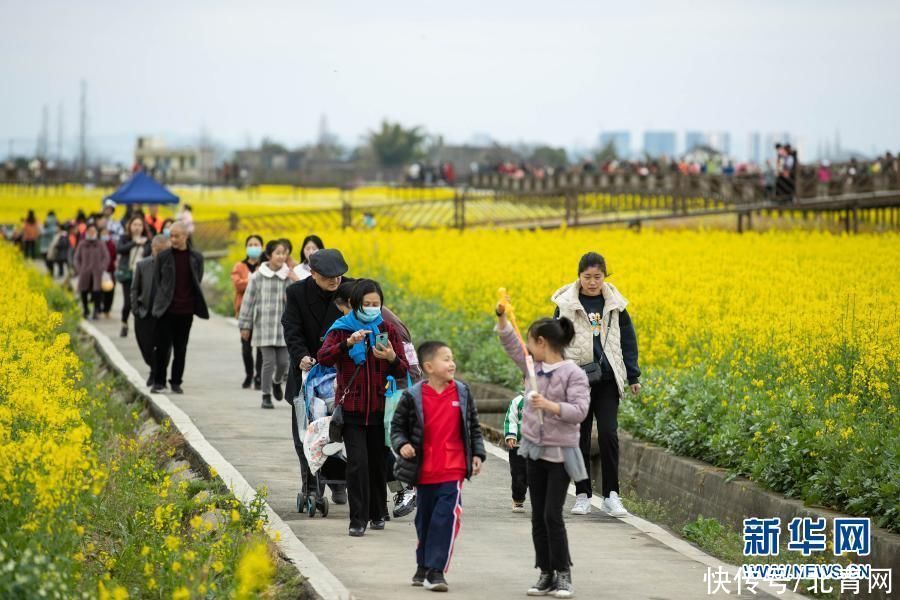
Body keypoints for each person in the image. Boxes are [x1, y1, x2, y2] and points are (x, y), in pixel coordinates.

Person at [496, 312, 590, 599]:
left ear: (542, 342)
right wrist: (502, 320)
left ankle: (563, 574)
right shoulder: (531, 367)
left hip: (561, 455)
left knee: (552, 516)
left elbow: (580, 411)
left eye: (530, 342)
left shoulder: (573, 373)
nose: (526, 348)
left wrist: (550, 406)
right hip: (533, 451)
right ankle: (545, 573)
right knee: (538, 516)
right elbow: (512, 345)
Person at [390, 341, 486, 592]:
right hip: (423, 471)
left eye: (452, 358)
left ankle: (436, 571)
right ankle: (423, 564)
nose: (452, 363)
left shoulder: (462, 393)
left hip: (452, 470)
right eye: (446, 359)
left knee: (445, 519)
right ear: (429, 367)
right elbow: (397, 428)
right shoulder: (413, 396)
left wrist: (477, 454)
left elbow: (473, 428)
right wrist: (402, 446)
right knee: (425, 520)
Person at [317, 279, 409, 537]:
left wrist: (391, 357)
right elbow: (323, 357)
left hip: (381, 409)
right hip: (353, 409)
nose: (371, 308)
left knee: (377, 463)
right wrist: (347, 344)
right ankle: (358, 520)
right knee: (357, 465)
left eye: (376, 304)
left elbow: (403, 369)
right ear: (355, 305)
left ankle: (378, 512)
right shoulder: (341, 330)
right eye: (366, 304)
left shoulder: (388, 330)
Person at [551, 252, 640, 518]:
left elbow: (628, 341)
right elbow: (556, 343)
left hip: (608, 379)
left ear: (604, 276)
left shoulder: (616, 304)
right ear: (579, 276)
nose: (592, 282)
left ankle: (613, 495)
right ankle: (582, 494)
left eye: (597, 277)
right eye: (587, 277)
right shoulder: (565, 304)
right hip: (578, 380)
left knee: (609, 434)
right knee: (580, 436)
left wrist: (633, 376)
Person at [333, 281, 420, 519]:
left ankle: (404, 488)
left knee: (382, 450)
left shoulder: (386, 325)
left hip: (395, 390)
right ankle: (381, 505)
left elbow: (406, 366)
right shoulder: (351, 325)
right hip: (379, 394)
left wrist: (391, 359)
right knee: (373, 452)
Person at [282, 249, 353, 505]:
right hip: (307, 373)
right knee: (306, 433)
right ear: (313, 274)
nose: (335, 280)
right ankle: (311, 487)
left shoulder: (351, 291)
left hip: (342, 374)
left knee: (341, 431)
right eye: (328, 276)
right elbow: (292, 329)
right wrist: (300, 355)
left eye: (338, 275)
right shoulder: (297, 293)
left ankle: (339, 484)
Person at [238, 239, 299, 409]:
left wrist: (295, 279)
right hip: (264, 326)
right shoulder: (258, 276)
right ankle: (265, 395)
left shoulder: (288, 276)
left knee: (283, 363)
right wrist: (245, 325)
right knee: (268, 362)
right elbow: (248, 301)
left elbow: (301, 296)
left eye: (284, 253)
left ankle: (276, 381)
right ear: (269, 255)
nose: (281, 256)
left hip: (283, 328)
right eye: (278, 253)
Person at [150, 222, 209, 394]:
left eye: (177, 236)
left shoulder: (196, 257)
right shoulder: (163, 257)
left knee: (181, 348)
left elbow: (197, 278)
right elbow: (158, 280)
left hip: (186, 310)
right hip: (166, 310)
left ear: (185, 236)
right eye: (171, 236)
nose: (173, 239)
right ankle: (159, 382)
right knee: (162, 348)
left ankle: (176, 381)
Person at [132, 235, 171, 386]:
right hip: (145, 312)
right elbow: (135, 288)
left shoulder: (172, 266)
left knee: (165, 346)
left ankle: (157, 374)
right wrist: (135, 308)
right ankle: (153, 368)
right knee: (146, 345)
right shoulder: (143, 265)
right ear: (153, 249)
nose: (161, 254)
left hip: (165, 313)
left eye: (165, 251)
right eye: (158, 250)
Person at [231, 234, 265, 389]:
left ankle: (258, 377)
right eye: (250, 244)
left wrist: (249, 280)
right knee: (246, 346)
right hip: (244, 311)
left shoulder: (265, 266)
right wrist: (253, 279)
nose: (253, 247)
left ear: (262, 247)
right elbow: (238, 285)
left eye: (256, 244)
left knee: (260, 347)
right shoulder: (239, 266)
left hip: (262, 312)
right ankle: (249, 374)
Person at [116, 215, 152, 337]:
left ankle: (141, 327)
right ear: (130, 226)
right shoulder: (124, 238)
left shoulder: (147, 240)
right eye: (134, 225)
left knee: (140, 302)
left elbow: (149, 254)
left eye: (140, 225)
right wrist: (134, 243)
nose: (137, 227)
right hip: (128, 274)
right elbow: (120, 249)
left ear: (143, 227)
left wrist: (143, 244)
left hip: (142, 275)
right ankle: (124, 323)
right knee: (128, 302)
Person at [73, 223, 110, 320]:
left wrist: (102, 268)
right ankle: (85, 310)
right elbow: (76, 258)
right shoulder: (82, 244)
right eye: (90, 231)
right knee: (83, 291)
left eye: (94, 231)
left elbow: (106, 257)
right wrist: (79, 269)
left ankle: (96, 311)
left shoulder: (100, 243)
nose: (92, 233)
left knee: (96, 292)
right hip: (84, 272)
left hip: (97, 272)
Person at [503, 392, 528, 512]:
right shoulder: (518, 401)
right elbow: (511, 419)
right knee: (518, 475)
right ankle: (518, 499)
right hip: (518, 446)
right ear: (523, 382)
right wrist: (511, 435)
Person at [99, 224, 118, 318]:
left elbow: (114, 256)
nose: (105, 235)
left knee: (111, 290)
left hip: (110, 271)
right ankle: (100, 309)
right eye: (103, 233)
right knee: (100, 291)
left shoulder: (112, 244)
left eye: (106, 233)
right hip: (99, 272)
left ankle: (107, 310)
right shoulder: (98, 244)